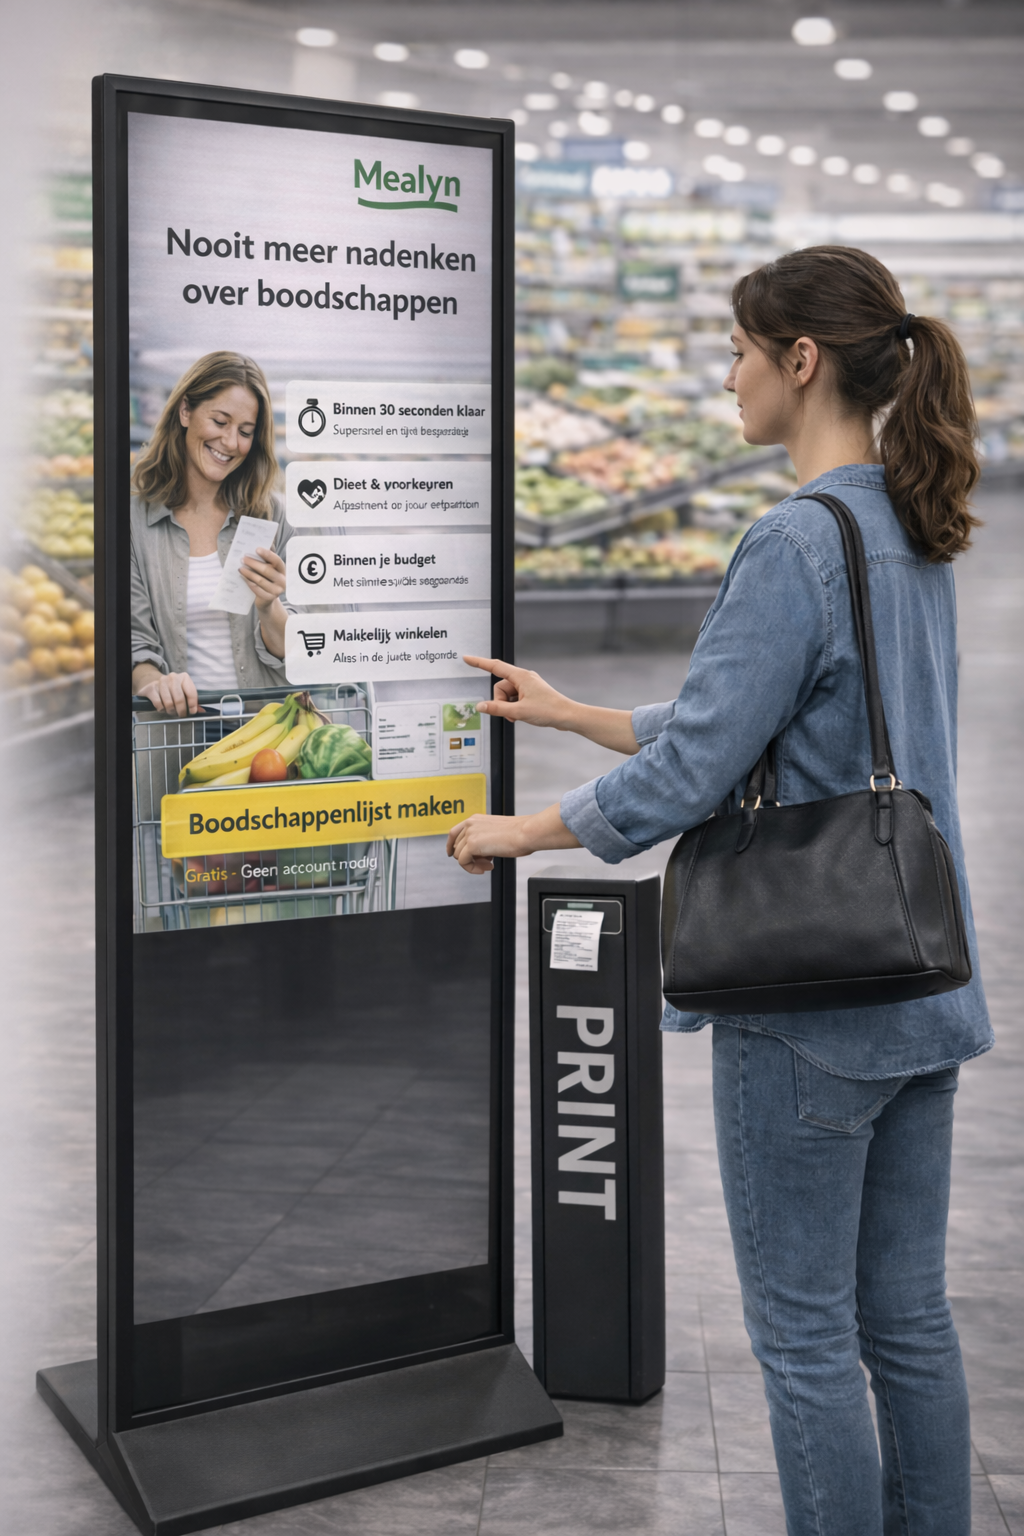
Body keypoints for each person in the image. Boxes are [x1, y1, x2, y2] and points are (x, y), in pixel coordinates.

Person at [448, 245, 992, 1536]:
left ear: (802, 361)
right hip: (919, 970)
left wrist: (524, 830)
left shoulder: (792, 541)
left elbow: (696, 770)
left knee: (804, 1339)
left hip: (807, 1012)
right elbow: (742, 724)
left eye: (742, 350)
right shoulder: (914, 528)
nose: (728, 375)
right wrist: (571, 708)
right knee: (906, 1322)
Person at [131, 350, 292, 716]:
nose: (231, 443)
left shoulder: (272, 516)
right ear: (186, 411)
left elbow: (296, 647)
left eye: (245, 432)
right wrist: (153, 683)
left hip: (267, 733)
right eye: (220, 421)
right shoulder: (136, 520)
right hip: (176, 738)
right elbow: (135, 641)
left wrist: (269, 606)